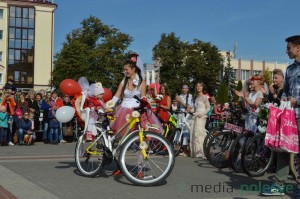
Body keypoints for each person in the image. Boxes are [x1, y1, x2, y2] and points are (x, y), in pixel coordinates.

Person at [110, 53, 163, 176]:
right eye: (124, 69)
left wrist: (145, 102)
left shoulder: (141, 82)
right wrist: (108, 105)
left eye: (126, 69)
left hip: (138, 112)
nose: (125, 71)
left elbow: (143, 96)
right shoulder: (123, 81)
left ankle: (140, 169)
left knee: (142, 141)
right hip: (123, 112)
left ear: (133, 68)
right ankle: (120, 166)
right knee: (120, 141)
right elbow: (117, 95)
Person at [261, 35, 300, 197]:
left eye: (289, 47)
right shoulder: (290, 69)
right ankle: (279, 184)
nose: (286, 50)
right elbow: (286, 91)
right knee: (283, 149)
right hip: (289, 116)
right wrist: (283, 99)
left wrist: (296, 100)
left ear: (298, 48)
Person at [189, 82, 210, 158]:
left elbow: (208, 108)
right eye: (197, 86)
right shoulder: (196, 98)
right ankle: (196, 151)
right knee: (195, 133)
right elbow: (195, 109)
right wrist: (191, 110)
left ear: (202, 87)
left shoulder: (204, 97)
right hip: (195, 116)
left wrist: (203, 113)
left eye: (200, 86)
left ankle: (202, 151)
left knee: (200, 132)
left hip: (201, 117)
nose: (198, 87)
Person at [175, 84, 193, 156]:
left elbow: (188, 107)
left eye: (186, 88)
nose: (184, 89)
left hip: (187, 115)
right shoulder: (180, 96)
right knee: (178, 131)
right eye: (183, 88)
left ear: (188, 89)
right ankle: (179, 148)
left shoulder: (190, 96)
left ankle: (185, 150)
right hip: (180, 114)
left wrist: (180, 101)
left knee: (186, 132)